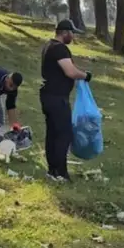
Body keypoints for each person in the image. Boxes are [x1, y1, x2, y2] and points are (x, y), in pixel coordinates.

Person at [40, 19, 91, 182]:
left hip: (48, 96)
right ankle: (60, 172)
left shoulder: (48, 46)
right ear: (64, 33)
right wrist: (85, 75)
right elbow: (70, 71)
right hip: (57, 98)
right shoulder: (59, 48)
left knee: (52, 133)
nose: (73, 36)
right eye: (72, 33)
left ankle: (52, 170)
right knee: (64, 134)